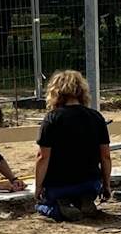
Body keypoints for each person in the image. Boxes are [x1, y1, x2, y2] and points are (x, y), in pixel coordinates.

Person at [34, 69, 112, 222]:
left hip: (59, 184)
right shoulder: (96, 117)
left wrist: (38, 187)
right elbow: (106, 156)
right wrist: (106, 185)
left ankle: (59, 208)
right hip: (90, 183)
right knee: (83, 192)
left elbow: (42, 157)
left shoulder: (52, 119)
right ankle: (84, 200)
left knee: (41, 204)